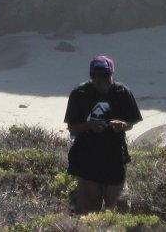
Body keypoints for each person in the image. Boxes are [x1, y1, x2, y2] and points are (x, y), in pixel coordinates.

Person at [64, 55, 143, 214]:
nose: (103, 85)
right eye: (99, 81)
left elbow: (131, 122)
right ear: (92, 77)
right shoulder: (79, 94)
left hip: (115, 162)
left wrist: (122, 125)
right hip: (86, 163)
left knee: (118, 212)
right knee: (86, 214)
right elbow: (72, 127)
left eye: (107, 79)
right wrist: (90, 126)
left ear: (112, 75)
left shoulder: (122, 92)